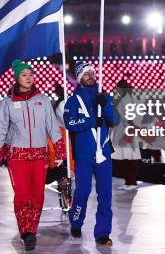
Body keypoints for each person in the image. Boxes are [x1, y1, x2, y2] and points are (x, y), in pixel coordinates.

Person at [0, 60, 65, 251]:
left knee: (38, 196)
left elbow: (53, 127)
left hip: (40, 155)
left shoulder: (43, 100)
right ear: (17, 78)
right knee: (22, 195)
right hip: (18, 156)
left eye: (30, 74)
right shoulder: (7, 102)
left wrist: (59, 150)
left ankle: (32, 227)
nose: (28, 77)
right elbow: (1, 129)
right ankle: (27, 232)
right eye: (24, 74)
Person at [64, 61, 116, 246]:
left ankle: (102, 233)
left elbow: (115, 119)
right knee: (83, 190)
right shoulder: (72, 101)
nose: (91, 76)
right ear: (79, 78)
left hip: (104, 154)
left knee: (105, 195)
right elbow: (70, 124)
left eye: (92, 73)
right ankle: (76, 221)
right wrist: (91, 121)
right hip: (84, 156)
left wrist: (106, 105)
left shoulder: (104, 96)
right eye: (86, 74)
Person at [112, 80, 142, 190]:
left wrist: (130, 130)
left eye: (117, 88)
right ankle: (129, 181)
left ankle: (131, 182)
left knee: (129, 158)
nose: (117, 90)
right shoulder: (127, 98)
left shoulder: (127, 99)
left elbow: (130, 117)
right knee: (127, 158)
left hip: (126, 131)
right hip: (125, 130)